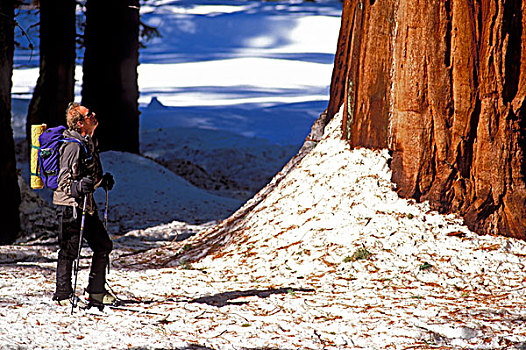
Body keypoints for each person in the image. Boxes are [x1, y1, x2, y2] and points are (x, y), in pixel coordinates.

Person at [52, 102, 115, 307]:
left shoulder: (89, 142)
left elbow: (87, 176)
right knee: (69, 250)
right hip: (69, 205)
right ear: (80, 123)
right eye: (89, 114)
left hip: (86, 205)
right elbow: (64, 182)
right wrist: (80, 186)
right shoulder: (72, 146)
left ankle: (96, 291)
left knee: (103, 245)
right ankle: (63, 294)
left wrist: (100, 182)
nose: (94, 115)